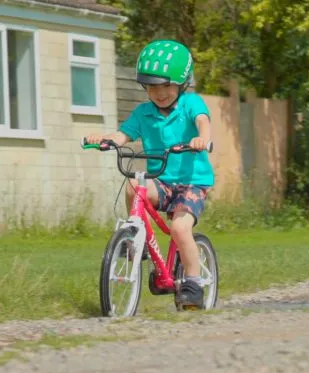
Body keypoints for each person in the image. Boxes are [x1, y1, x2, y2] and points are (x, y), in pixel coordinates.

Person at [85, 39, 214, 309]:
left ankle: (193, 282)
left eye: (166, 85)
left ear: (182, 83)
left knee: (180, 228)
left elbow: (203, 120)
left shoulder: (191, 104)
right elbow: (123, 135)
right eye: (152, 86)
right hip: (163, 180)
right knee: (134, 184)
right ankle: (137, 238)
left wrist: (202, 138)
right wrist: (105, 139)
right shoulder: (143, 113)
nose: (160, 92)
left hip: (192, 182)